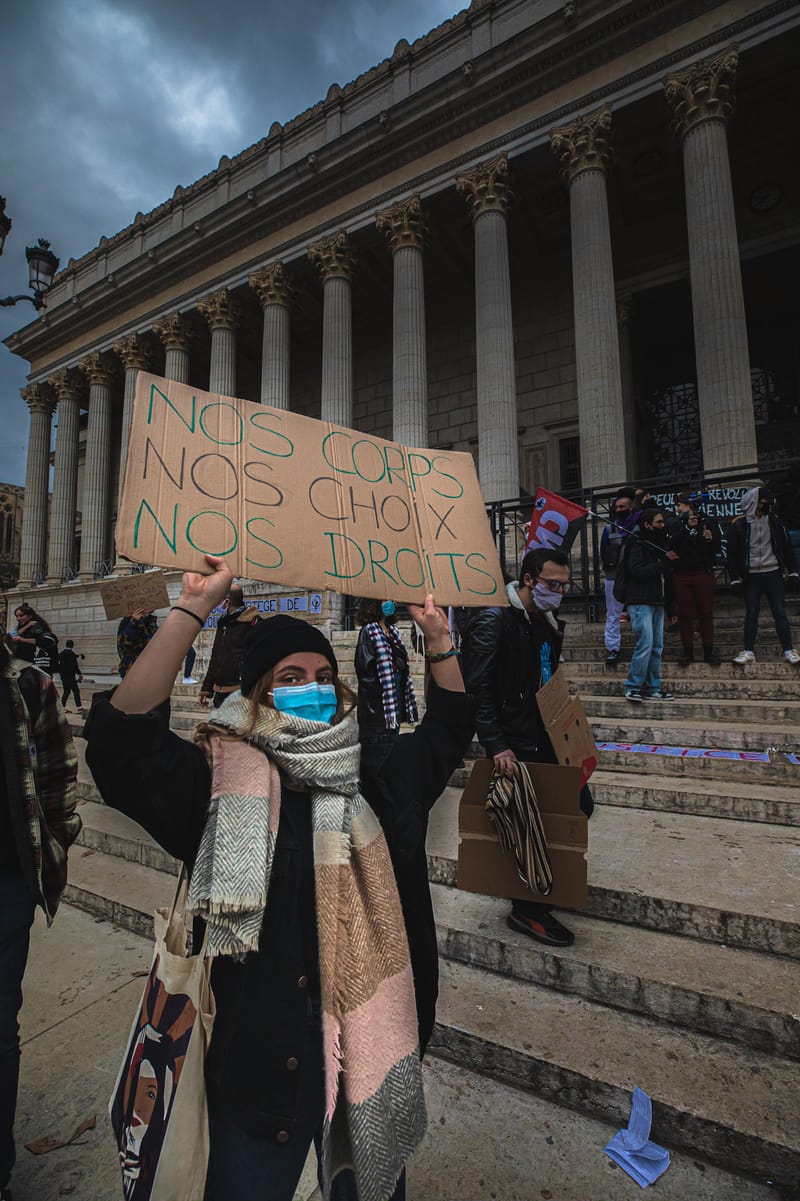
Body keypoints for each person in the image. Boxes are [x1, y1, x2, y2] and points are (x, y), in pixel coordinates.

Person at [85, 556, 472, 1201]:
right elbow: (120, 744)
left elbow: (448, 729)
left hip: (367, 1056)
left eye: (322, 677)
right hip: (258, 1062)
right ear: (260, 693)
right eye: (290, 678)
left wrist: (438, 639)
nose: (312, 689)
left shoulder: (377, 776)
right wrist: (191, 609)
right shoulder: (217, 784)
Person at [461, 547, 594, 949]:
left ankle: (542, 888)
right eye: (553, 583)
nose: (560, 591)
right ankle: (527, 908)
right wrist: (496, 744)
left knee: (579, 805)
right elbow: (478, 687)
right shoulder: (495, 619)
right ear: (529, 579)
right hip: (515, 743)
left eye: (565, 585)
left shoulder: (545, 622)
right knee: (528, 823)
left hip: (546, 737)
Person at [0, 629, 80, 1201]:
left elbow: (57, 779)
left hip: (6, 886)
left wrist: (55, 842)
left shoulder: (29, 684)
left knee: (1, 1031)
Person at [727, 486, 800, 665]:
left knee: (780, 612)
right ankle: (748, 651)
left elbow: (786, 547)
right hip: (752, 575)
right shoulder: (739, 525)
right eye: (762, 501)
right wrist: (735, 578)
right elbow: (732, 554)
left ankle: (788, 650)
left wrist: (793, 571)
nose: (766, 504)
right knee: (751, 613)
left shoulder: (775, 522)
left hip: (773, 572)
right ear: (754, 502)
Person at [617, 509, 677, 702]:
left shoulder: (659, 544)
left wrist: (671, 606)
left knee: (657, 647)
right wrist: (662, 563)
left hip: (657, 600)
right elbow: (637, 571)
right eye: (658, 522)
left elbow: (667, 579)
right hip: (640, 601)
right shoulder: (637, 543)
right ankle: (633, 686)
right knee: (645, 644)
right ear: (647, 524)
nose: (662, 525)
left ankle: (652, 687)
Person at [354, 598, 418, 775]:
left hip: (396, 689)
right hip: (378, 697)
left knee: (392, 734)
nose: (391, 603)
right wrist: (376, 696)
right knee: (380, 740)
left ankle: (389, 771)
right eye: (385, 600)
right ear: (374, 604)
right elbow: (364, 669)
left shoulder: (392, 631)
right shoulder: (369, 631)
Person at [665, 491, 722, 666]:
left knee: (706, 613)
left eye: (679, 505)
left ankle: (708, 651)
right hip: (682, 573)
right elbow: (672, 544)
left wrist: (710, 538)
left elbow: (717, 546)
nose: (677, 509)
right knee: (685, 615)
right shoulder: (676, 523)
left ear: (689, 505)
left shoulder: (708, 521)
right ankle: (687, 651)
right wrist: (687, 528)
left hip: (703, 572)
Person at [599, 488, 648, 668]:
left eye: (623, 506)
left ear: (631, 507)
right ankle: (613, 648)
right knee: (613, 614)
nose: (619, 509)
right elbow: (603, 551)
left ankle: (643, 647)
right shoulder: (609, 527)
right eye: (617, 507)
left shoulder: (639, 527)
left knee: (639, 613)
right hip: (613, 576)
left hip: (635, 577)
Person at [199, 585, 262, 708]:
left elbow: (259, 658)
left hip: (241, 692)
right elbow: (216, 657)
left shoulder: (252, 623)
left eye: (220, 599)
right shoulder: (224, 623)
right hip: (220, 692)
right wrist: (206, 689)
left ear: (227, 601)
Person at [10, 605, 58, 674]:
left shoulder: (36, 626)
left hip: (36, 665)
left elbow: (49, 640)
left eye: (21, 615)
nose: (18, 618)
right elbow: (12, 636)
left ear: (30, 616)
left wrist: (23, 640)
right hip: (25, 665)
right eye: (16, 616)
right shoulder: (24, 627)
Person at [117, 608, 158, 678]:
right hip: (133, 670)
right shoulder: (127, 623)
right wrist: (135, 622)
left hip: (151, 669)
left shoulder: (150, 622)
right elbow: (126, 645)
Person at [57, 639, 85, 712]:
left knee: (66, 691)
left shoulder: (61, 653)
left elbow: (65, 658)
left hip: (63, 676)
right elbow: (74, 665)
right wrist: (79, 673)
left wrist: (77, 655)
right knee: (76, 691)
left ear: (66, 645)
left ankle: (62, 707)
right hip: (70, 676)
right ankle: (79, 707)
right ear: (72, 645)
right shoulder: (71, 654)